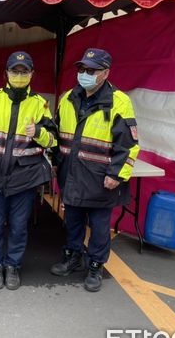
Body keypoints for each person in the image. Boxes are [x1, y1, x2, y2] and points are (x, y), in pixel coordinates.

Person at [0, 51, 57, 290]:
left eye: (23, 71)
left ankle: (13, 265)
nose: (18, 75)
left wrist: (38, 133)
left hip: (24, 178)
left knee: (18, 226)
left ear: (31, 74)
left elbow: (53, 141)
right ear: (6, 73)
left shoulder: (40, 104)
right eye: (14, 71)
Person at [50, 48, 139, 292]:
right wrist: (56, 160)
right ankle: (73, 257)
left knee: (100, 228)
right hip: (72, 174)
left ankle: (95, 266)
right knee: (73, 221)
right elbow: (58, 135)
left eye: (91, 70)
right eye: (81, 69)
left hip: (101, 179)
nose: (84, 74)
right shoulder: (68, 97)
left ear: (105, 73)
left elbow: (129, 145)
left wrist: (116, 175)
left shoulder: (119, 102)